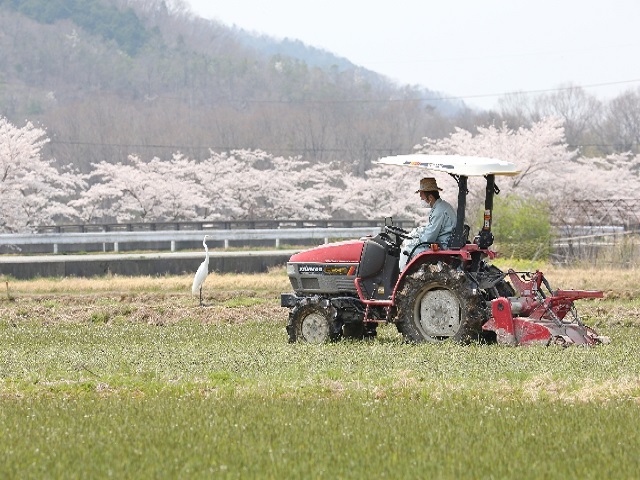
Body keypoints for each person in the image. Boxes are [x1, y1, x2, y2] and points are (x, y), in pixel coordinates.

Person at [399, 177, 457, 270]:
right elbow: (431, 229)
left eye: (422, 197)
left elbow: (429, 237)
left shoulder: (439, 211)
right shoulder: (442, 206)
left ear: (430, 197)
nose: (421, 199)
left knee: (406, 249)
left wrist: (413, 240)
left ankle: (402, 276)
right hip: (443, 241)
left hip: (442, 245)